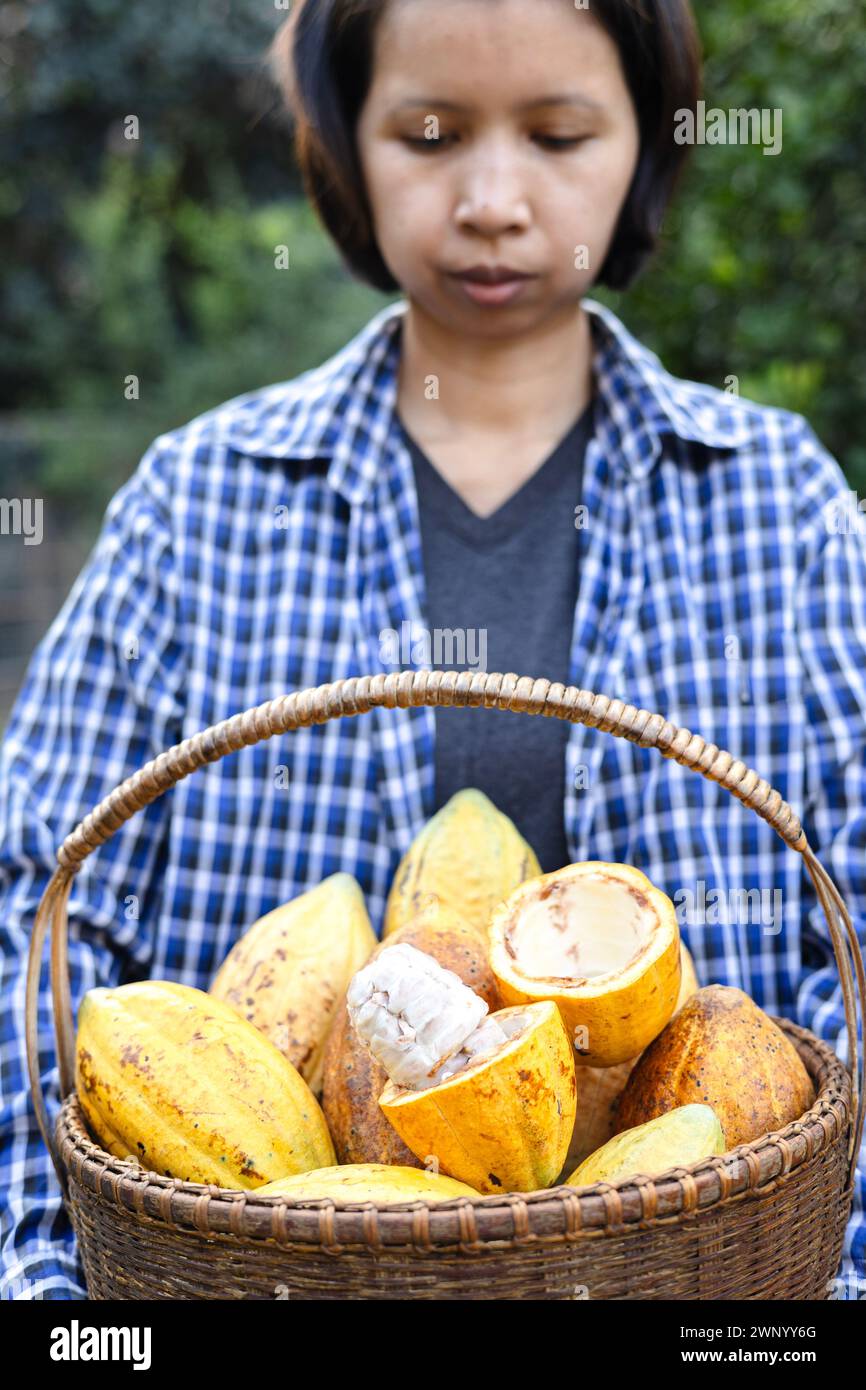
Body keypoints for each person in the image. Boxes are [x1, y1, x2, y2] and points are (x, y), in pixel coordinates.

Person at [1, 0, 863, 1300]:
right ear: (348, 148)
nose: (493, 198)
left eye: (560, 133)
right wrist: (52, 1290)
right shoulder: (200, 508)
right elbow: (36, 917)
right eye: (428, 132)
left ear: (643, 144)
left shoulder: (778, 509)